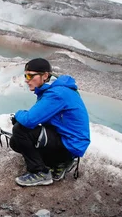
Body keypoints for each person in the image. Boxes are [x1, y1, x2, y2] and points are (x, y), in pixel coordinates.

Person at [10, 58, 90, 186]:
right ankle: (60, 163)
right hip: (68, 141)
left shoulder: (56, 93)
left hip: (70, 144)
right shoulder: (54, 89)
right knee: (16, 142)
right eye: (25, 75)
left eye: (30, 75)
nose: (26, 79)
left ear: (45, 76)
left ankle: (40, 173)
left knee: (20, 129)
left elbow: (29, 120)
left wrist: (17, 114)